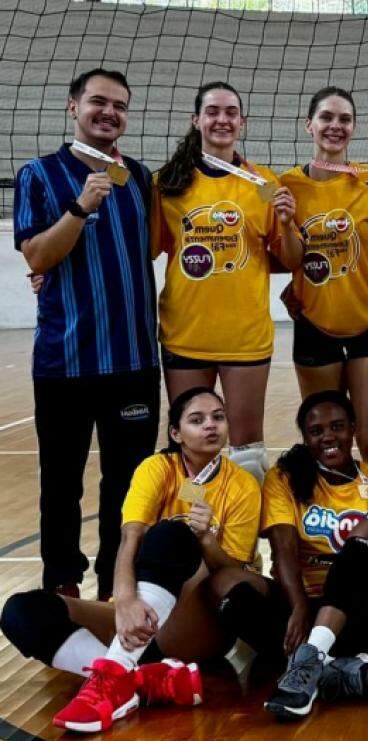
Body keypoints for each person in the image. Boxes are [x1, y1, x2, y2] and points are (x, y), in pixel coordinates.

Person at [0, 388, 262, 733]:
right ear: (175, 433)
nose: (210, 426)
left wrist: (207, 541)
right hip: (139, 613)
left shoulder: (242, 484)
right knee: (20, 611)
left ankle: (114, 676)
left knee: (171, 534)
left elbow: (235, 572)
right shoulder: (155, 468)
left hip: (197, 624)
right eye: (196, 420)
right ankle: (136, 679)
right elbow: (129, 538)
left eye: (218, 417)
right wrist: (122, 600)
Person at [14, 68, 160, 600]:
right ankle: (62, 584)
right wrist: (80, 208)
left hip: (134, 361)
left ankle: (116, 586)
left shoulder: (139, 177)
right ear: (73, 107)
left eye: (119, 105)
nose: (109, 113)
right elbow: (37, 254)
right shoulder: (40, 174)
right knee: (61, 485)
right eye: (98, 102)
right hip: (65, 363)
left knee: (128, 488)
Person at [209, 391, 368, 720]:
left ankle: (310, 657)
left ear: (353, 429)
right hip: (305, 610)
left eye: (337, 426)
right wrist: (297, 605)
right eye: (316, 431)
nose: (328, 437)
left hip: (365, 611)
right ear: (306, 437)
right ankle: (332, 669)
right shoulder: (285, 478)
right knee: (224, 580)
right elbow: (283, 548)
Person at [152, 80, 304, 482]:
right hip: (185, 334)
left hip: (245, 337)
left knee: (248, 452)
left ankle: (245, 543)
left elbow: (291, 258)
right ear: (196, 120)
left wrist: (288, 225)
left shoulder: (264, 184)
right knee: (188, 450)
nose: (222, 119)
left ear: (242, 122)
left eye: (231, 112)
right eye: (213, 112)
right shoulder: (167, 184)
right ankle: (195, 534)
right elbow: (145, 251)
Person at [278, 86, 368, 471]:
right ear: (309, 125)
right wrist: (286, 224)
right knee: (326, 444)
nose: (336, 126)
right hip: (315, 324)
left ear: (353, 128)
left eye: (345, 119)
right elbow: (288, 259)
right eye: (327, 117)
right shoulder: (287, 185)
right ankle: (331, 528)